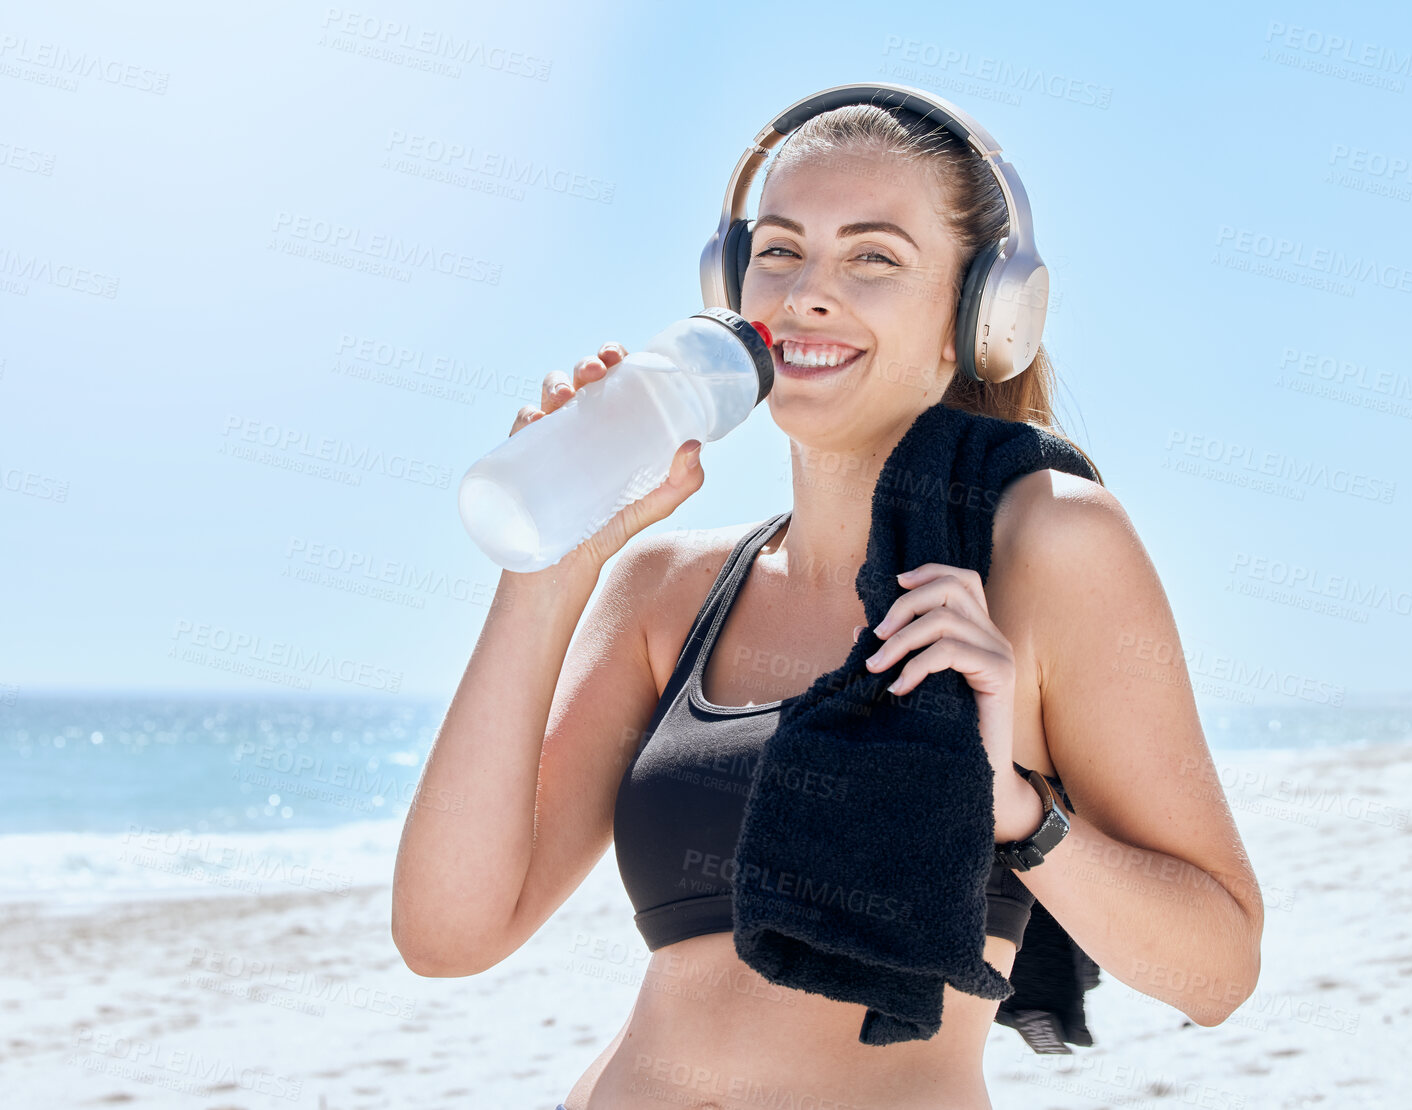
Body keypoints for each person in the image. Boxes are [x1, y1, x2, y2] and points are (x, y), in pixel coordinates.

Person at [391, 101, 1264, 1110]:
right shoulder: (666, 589)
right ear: (729, 287)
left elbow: (1217, 973)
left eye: (874, 259)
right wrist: (544, 577)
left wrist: (1013, 806)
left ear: (980, 318)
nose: (808, 293)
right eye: (780, 251)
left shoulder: (1051, 548)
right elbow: (449, 934)